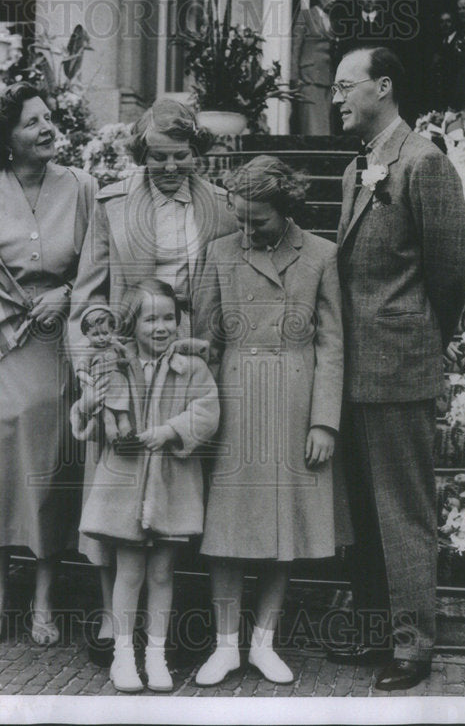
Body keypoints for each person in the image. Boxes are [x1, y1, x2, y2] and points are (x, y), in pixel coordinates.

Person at [69, 98, 235, 663]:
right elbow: (89, 293)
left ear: (198, 155)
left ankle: (167, 626)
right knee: (118, 482)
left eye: (180, 156)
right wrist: (98, 356)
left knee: (178, 484)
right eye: (157, 157)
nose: (168, 167)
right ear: (142, 155)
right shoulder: (113, 203)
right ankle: (112, 626)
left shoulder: (222, 207)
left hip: (189, 361)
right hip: (128, 361)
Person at [329, 47, 465, 690]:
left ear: (383, 87)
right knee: (362, 508)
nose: (335, 98)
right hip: (353, 371)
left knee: (403, 509)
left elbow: (449, 276)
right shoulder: (358, 167)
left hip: (400, 367)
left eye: (345, 86)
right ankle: (376, 632)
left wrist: (418, 341)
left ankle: (414, 646)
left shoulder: (425, 164)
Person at [0, 82, 98, 647]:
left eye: (50, 118)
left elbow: (97, 263)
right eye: (34, 122)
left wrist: (67, 293)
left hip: (57, 346)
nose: (48, 128)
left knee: (49, 474)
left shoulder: (81, 186)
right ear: (7, 137)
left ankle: (43, 601)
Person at [193, 155, 351, 686]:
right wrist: (198, 413)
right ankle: (223, 645)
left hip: (293, 405)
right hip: (234, 405)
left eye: (256, 219)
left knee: (285, 528)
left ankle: (264, 641)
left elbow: (332, 346)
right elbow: (206, 341)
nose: (245, 229)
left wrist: (324, 422)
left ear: (285, 210)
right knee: (228, 529)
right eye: (238, 217)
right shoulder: (218, 253)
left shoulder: (322, 256)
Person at [74, 279, 220, 693]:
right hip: (125, 486)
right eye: (151, 318)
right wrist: (88, 405)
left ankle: (156, 656)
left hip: (171, 486)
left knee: (162, 573)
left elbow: (207, 411)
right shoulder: (114, 364)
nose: (162, 327)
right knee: (129, 572)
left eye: (169, 317)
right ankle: (124, 655)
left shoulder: (190, 367)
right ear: (132, 324)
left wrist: (172, 431)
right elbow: (87, 409)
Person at [75, 304, 134, 443]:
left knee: (123, 416)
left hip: (119, 386)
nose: (101, 338)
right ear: (86, 334)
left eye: (105, 333)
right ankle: (115, 442)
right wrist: (87, 378)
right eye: (95, 334)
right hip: (102, 387)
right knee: (108, 418)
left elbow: (127, 352)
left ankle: (128, 439)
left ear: (112, 330)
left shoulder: (115, 345)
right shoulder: (89, 352)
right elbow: (80, 369)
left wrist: (124, 361)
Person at [290, 0, 338, 135]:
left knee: (325, 126)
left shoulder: (331, 19)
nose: (333, 0)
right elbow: (296, 47)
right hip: (309, 79)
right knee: (312, 126)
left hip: (326, 79)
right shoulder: (306, 15)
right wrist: (294, 76)